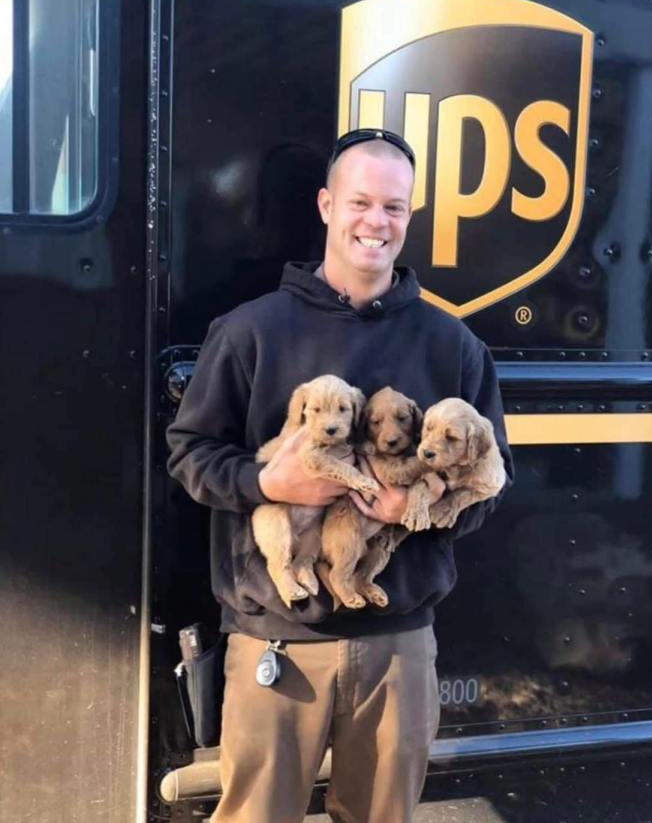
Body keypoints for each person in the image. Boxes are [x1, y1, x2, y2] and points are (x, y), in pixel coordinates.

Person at [166, 128, 514, 823]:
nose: (375, 223)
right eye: (360, 202)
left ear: (409, 217)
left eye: (393, 207)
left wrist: (416, 504)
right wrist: (271, 483)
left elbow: (490, 487)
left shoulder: (454, 347)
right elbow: (190, 455)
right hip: (276, 639)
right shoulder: (250, 331)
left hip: (399, 643)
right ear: (327, 205)